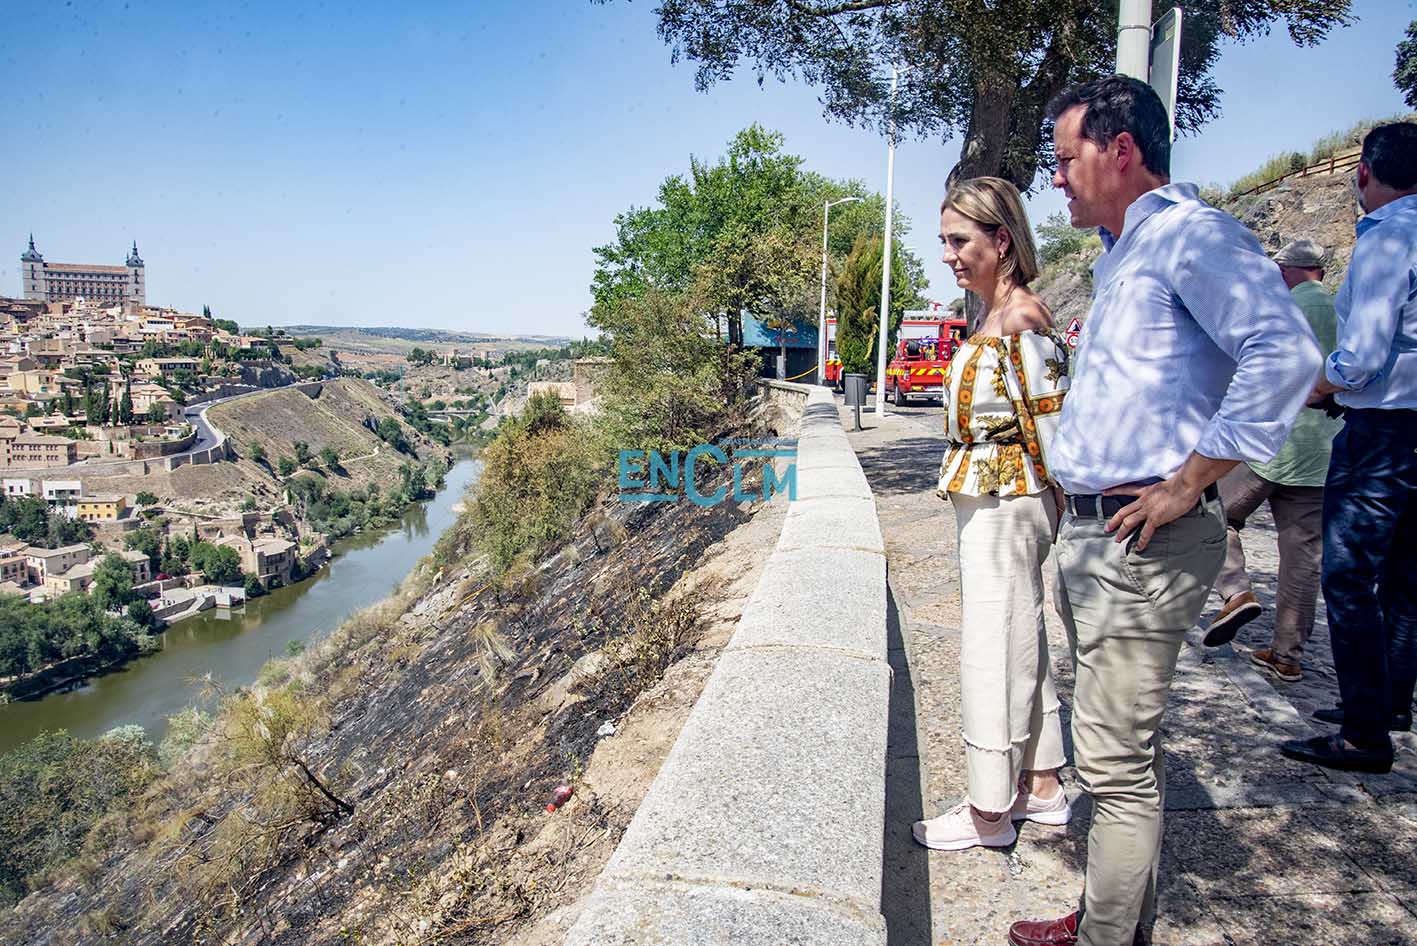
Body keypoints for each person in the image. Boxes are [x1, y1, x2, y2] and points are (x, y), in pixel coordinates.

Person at [1006, 76, 1321, 946]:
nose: (1056, 179)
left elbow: (1285, 352)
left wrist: (1189, 481)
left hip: (1140, 542)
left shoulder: (1191, 237)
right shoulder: (1122, 254)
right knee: (1115, 752)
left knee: (1111, 763)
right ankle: (1113, 917)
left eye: (1065, 159)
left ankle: (1106, 937)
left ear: (1121, 150)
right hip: (1102, 535)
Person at [911, 176, 1072, 852]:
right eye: (944, 240)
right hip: (995, 497)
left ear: (1000, 240)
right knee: (1016, 633)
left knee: (992, 644)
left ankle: (987, 812)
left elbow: (1056, 428)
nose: (947, 254)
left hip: (1008, 501)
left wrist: (1058, 505)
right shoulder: (995, 318)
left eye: (959, 240)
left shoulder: (1019, 320)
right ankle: (1040, 786)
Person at [1280, 121, 1417, 774]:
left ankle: (1364, 734)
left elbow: (1360, 354)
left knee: (1348, 578)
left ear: (1363, 171)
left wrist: (1319, 385)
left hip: (1382, 435)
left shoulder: (1389, 238)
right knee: (1405, 579)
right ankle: (1387, 701)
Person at [1202, 239, 1343, 683]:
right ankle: (1287, 654)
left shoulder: (1286, 309)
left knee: (1211, 510)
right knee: (1303, 553)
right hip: (1325, 448)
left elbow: (1254, 369)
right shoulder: (1344, 311)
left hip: (1276, 442)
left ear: (1287, 271)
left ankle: (1236, 590)